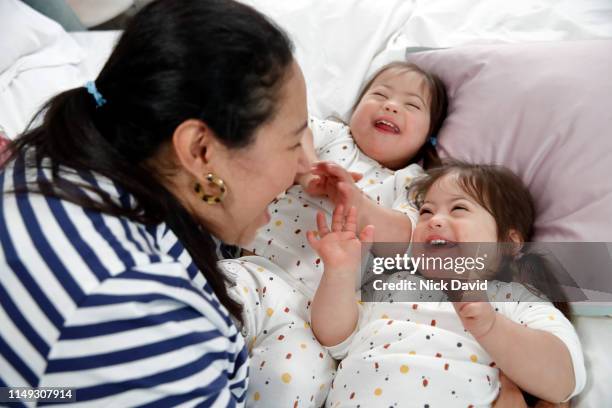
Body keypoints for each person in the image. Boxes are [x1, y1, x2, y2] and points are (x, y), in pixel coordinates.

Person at [0, 0, 312, 405]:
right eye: (294, 143)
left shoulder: (63, 150)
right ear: (200, 150)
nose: (306, 164)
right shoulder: (139, 316)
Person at [308, 161, 586, 407]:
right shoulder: (392, 283)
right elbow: (335, 339)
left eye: (459, 208)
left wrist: (491, 326)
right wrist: (339, 275)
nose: (435, 220)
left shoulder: (512, 299)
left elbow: (563, 383)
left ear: (508, 244)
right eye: (426, 212)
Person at [247, 62, 448, 295]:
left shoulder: (414, 182)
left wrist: (358, 204)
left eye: (412, 105)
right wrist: (309, 171)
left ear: (429, 136)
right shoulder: (336, 136)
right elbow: (294, 127)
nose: (391, 105)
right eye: (380, 94)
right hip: (253, 260)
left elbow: (407, 243)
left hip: (319, 302)